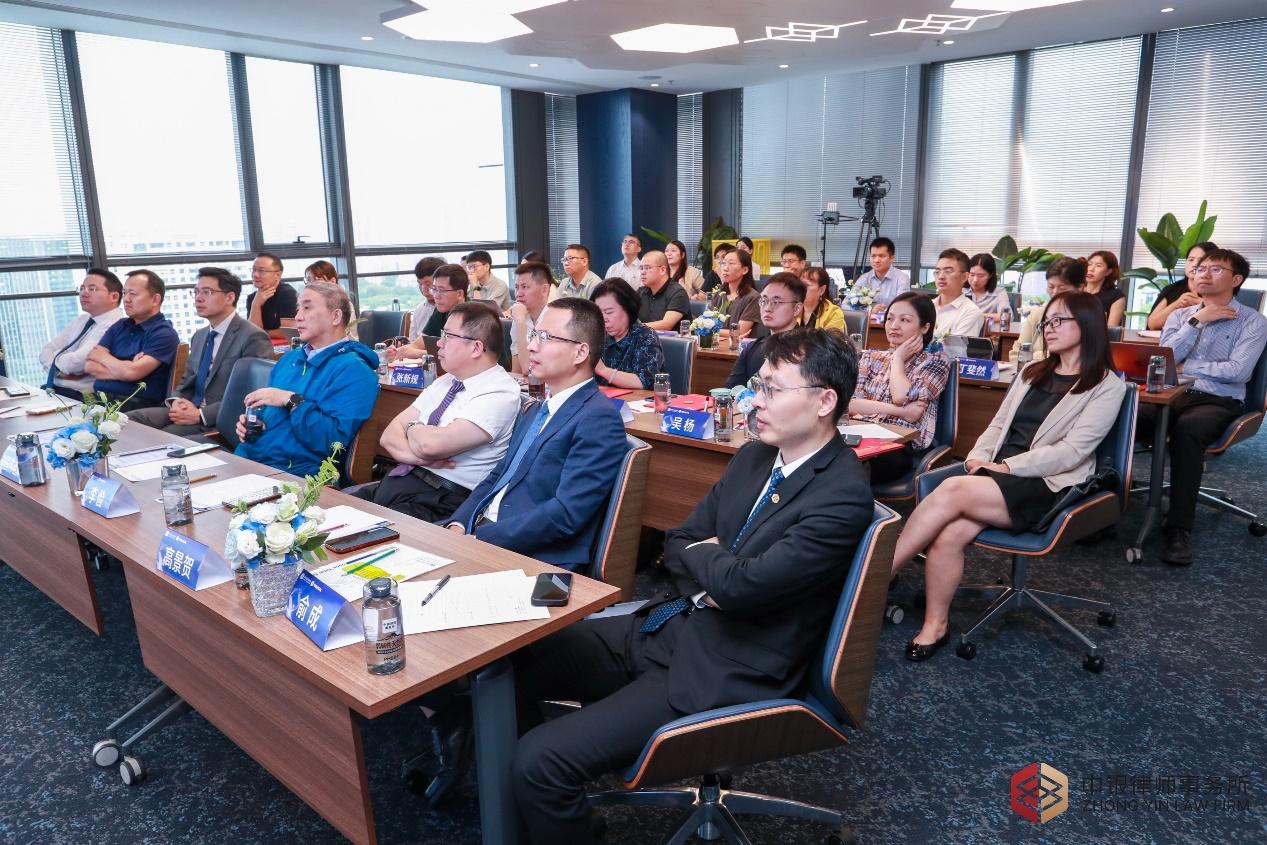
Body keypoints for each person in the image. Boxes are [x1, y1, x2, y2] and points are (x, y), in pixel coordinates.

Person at [505, 327, 873, 843]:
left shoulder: (842, 495)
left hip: (724, 665)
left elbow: (742, 589)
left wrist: (715, 564)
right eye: (757, 386)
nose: (755, 401)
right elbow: (678, 542)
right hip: (667, 624)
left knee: (538, 761)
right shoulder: (755, 456)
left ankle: (555, 811)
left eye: (771, 389)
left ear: (824, 402)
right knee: (509, 662)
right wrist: (717, 568)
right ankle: (557, 816)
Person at [892, 291, 1126, 661]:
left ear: (1087, 325)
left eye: (1059, 320)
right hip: (998, 474)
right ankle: (935, 625)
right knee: (950, 533)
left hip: (1048, 484)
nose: (1049, 328)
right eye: (1047, 322)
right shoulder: (1032, 372)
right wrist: (978, 458)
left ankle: (874, 578)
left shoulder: (1106, 385)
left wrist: (1007, 467)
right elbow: (998, 425)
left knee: (951, 489)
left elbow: (1072, 452)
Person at [446, 298, 627, 570]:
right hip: (482, 533)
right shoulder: (536, 408)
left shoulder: (598, 418)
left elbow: (566, 514)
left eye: (545, 337)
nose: (531, 346)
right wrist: (459, 524)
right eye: (534, 335)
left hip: (530, 555)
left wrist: (480, 539)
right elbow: (499, 474)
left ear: (580, 353)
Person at [1145, 248, 1267, 565]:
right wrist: (1197, 321)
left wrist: (1186, 368)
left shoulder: (1253, 321)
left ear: (1236, 279)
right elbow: (1164, 360)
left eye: (1215, 269)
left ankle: (1178, 528)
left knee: (1188, 431)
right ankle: (1099, 508)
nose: (1203, 274)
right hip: (1170, 395)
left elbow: (1238, 371)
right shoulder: (1180, 316)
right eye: (1200, 269)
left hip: (1218, 399)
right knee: (1123, 415)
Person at [354, 303, 521, 522]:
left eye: (448, 337)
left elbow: (430, 445)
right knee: (331, 513)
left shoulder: (499, 392)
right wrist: (419, 458)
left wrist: (412, 427)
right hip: (402, 480)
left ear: (476, 348)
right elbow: (388, 437)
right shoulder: (447, 380)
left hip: (440, 500)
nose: (439, 343)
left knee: (357, 532)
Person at [235, 283, 379, 477]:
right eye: (298, 308)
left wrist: (291, 400)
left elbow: (332, 442)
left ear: (335, 317)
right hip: (249, 460)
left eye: (307, 307)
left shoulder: (355, 371)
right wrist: (255, 426)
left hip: (296, 474)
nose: (298, 316)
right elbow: (274, 417)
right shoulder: (289, 359)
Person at [129, 268, 272, 435]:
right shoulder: (200, 335)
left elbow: (251, 394)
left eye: (207, 292)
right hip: (189, 408)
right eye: (196, 291)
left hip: (219, 419)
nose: (198, 298)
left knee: (163, 437)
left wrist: (200, 415)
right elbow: (187, 378)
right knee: (125, 421)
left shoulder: (253, 336)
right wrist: (177, 401)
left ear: (230, 297)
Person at [849, 291, 951, 484]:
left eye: (904, 320)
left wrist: (897, 358)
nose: (894, 325)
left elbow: (901, 396)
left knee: (847, 463)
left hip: (900, 446)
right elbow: (849, 404)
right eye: (890, 318)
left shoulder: (936, 362)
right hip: (862, 435)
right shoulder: (871, 357)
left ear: (925, 327)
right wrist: (900, 411)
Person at [84, 270, 179, 411]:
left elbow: (131, 373)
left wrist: (104, 358)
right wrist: (126, 368)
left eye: (133, 294)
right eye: (125, 293)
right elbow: (90, 366)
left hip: (136, 406)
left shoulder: (164, 333)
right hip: (100, 400)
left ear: (155, 299)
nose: (126, 299)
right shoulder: (120, 325)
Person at [40, 269, 125, 399]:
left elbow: (75, 363)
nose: (84, 293)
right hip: (56, 390)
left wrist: (56, 360)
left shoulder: (114, 325)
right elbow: (46, 350)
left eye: (92, 289)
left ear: (114, 297)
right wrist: (57, 371)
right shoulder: (82, 320)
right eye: (81, 288)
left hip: (83, 398)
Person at [724, 272, 804, 388]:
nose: (767, 308)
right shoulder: (753, 348)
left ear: (797, 309)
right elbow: (731, 390)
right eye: (764, 301)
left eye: (776, 302)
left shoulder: (808, 351)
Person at [1009, 257, 1086, 364]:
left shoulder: (1088, 316)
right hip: (1033, 373)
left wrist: (1035, 356)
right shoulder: (1037, 314)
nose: (1055, 292)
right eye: (1051, 287)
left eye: (1062, 288)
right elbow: (1016, 355)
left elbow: (1078, 356)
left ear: (1080, 288)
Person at [591, 278, 665, 389]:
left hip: (637, 399)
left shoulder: (645, 336)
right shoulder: (597, 336)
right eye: (599, 312)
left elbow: (645, 381)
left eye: (609, 312)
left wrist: (603, 370)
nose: (603, 318)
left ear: (628, 308)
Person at [389, 264, 470, 360]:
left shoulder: (474, 315)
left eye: (442, 290)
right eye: (434, 289)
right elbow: (419, 344)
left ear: (459, 294)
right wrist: (397, 351)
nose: (436, 296)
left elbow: (460, 354)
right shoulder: (441, 310)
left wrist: (418, 353)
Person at [1147, 241, 1218, 331]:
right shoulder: (1172, 289)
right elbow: (1152, 324)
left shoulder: (1221, 290)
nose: (1194, 265)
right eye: (1191, 260)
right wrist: (1177, 304)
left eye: (1201, 260)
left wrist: (1202, 304)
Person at [507, 261, 557, 374]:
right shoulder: (520, 315)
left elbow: (528, 369)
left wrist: (521, 323)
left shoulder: (555, 320)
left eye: (525, 287)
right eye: (516, 287)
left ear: (544, 290)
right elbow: (517, 369)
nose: (518, 294)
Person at [932, 248, 985, 337]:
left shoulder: (971, 312)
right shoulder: (926, 307)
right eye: (937, 271)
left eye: (948, 271)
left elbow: (955, 346)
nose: (941, 276)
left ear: (964, 277)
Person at [636, 250, 692, 332]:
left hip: (671, 339)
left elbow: (666, 325)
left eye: (647, 268)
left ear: (662, 270)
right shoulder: (640, 292)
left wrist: (633, 328)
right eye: (641, 268)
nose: (643, 272)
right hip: (646, 338)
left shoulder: (678, 292)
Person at [713, 248, 760, 340]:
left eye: (731, 263)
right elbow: (707, 322)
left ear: (745, 270)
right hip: (716, 345)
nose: (725, 268)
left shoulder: (753, 297)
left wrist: (712, 330)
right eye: (724, 263)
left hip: (739, 347)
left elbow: (740, 332)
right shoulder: (719, 293)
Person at [246, 253, 297, 332]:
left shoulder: (287, 294)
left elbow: (289, 332)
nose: (255, 274)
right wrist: (256, 305)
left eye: (262, 271)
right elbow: (252, 333)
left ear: (278, 275)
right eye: (254, 269)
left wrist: (263, 333)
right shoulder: (252, 298)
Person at [855, 237, 910, 307]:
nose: (876, 260)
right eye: (873, 256)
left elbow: (902, 306)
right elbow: (846, 304)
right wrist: (869, 310)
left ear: (892, 258)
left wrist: (881, 311)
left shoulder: (902, 278)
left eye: (881, 256)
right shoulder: (864, 278)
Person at [965, 253, 1014, 321]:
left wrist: (977, 315)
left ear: (990, 275)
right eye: (972, 275)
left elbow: (1007, 317)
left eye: (980, 276)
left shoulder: (999, 292)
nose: (975, 280)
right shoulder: (960, 291)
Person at [1084, 250, 1126, 327]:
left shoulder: (1116, 296)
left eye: (1098, 266)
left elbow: (1111, 329)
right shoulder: (1076, 291)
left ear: (1108, 272)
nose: (1091, 269)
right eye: (1089, 264)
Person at [409, 256, 446, 342]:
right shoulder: (419, 309)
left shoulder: (450, 309)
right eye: (420, 284)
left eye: (428, 284)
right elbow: (412, 341)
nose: (423, 289)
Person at [799, 266, 845, 332]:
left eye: (806, 285)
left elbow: (832, 338)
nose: (800, 289)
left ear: (822, 290)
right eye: (800, 285)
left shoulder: (833, 313)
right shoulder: (792, 308)